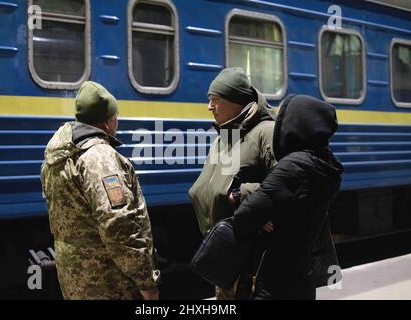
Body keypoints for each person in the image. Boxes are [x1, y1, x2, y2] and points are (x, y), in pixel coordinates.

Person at [40, 81, 160, 300]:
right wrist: (146, 281)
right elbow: (118, 225)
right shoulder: (101, 159)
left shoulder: (56, 158)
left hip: (75, 279)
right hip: (108, 283)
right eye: (116, 116)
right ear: (107, 121)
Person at [233, 95, 344, 300]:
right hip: (302, 274)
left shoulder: (293, 167)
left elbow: (244, 217)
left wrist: (241, 193)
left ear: (295, 124)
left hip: (275, 280)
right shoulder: (326, 166)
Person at [188, 67, 277, 299]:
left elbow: (288, 184)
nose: (209, 107)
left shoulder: (266, 132)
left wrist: (244, 194)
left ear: (235, 101)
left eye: (215, 100)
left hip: (251, 256)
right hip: (225, 251)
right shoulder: (225, 136)